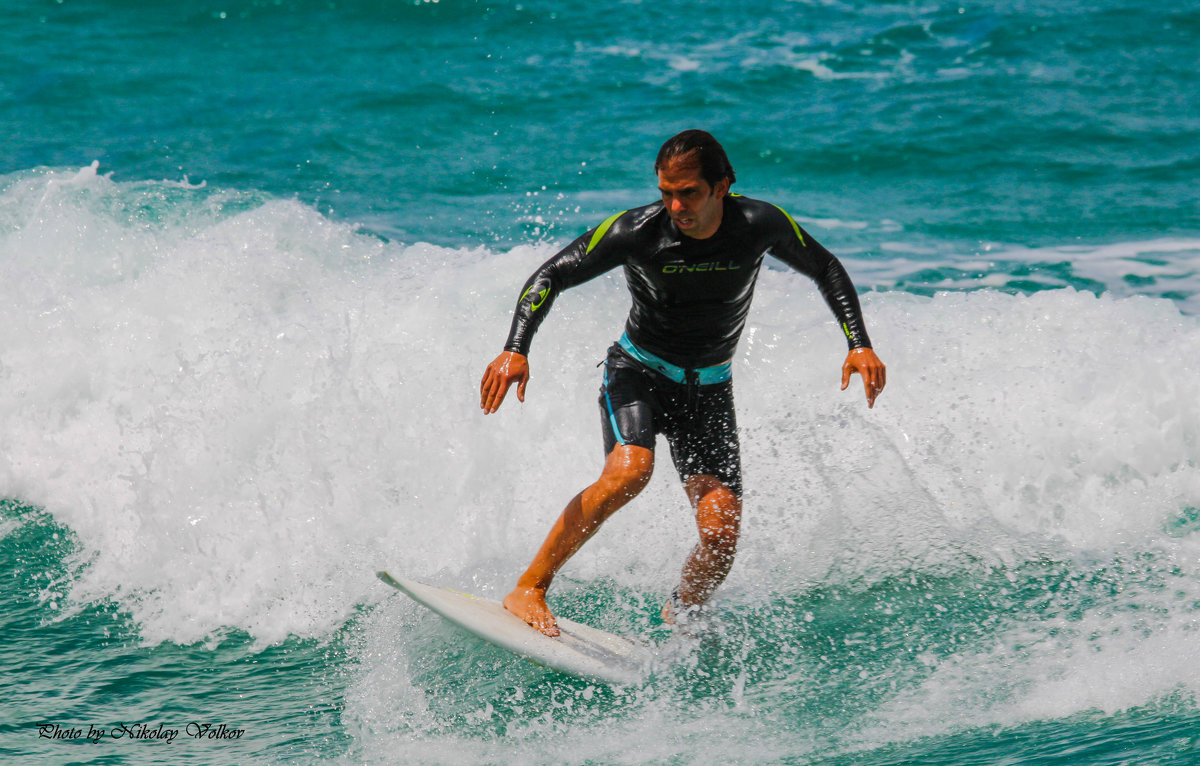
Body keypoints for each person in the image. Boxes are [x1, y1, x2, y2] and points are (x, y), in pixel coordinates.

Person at [479, 130, 886, 637]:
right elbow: (551, 275)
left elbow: (825, 267)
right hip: (637, 373)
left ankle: (683, 610)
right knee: (630, 471)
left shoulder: (760, 224)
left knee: (720, 535)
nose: (675, 205)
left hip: (708, 389)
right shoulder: (636, 231)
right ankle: (530, 587)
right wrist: (516, 348)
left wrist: (859, 343)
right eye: (666, 191)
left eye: (688, 192)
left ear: (723, 186)